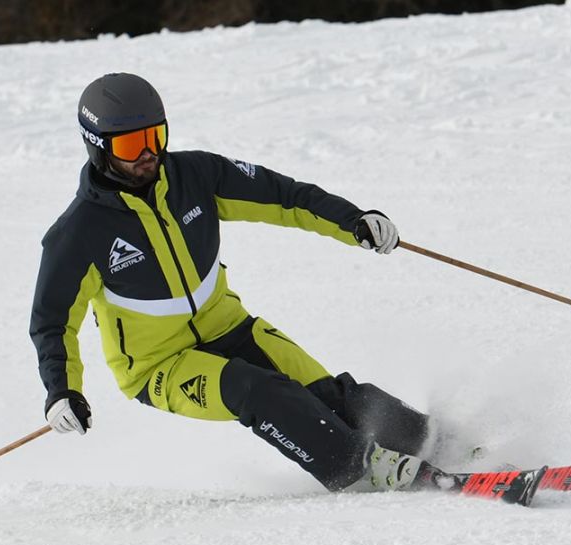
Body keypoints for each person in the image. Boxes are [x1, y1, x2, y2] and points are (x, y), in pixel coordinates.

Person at [30, 73, 431, 492]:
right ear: (97, 146)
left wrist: (353, 221)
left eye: (156, 135)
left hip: (229, 327)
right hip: (159, 366)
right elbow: (52, 322)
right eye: (132, 144)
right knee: (259, 392)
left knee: (329, 395)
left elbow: (284, 197)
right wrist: (62, 391)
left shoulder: (196, 176)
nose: (149, 153)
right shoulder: (78, 234)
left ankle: (435, 441)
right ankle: (357, 468)